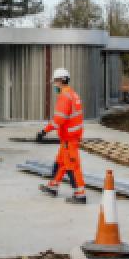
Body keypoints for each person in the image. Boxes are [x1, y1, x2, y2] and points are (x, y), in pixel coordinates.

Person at [37, 67, 87, 204]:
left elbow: (59, 120)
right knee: (61, 163)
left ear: (61, 81)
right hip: (70, 137)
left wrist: (44, 131)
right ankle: (53, 186)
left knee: (72, 166)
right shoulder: (73, 94)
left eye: (55, 82)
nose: (55, 85)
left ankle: (80, 195)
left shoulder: (64, 97)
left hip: (69, 138)